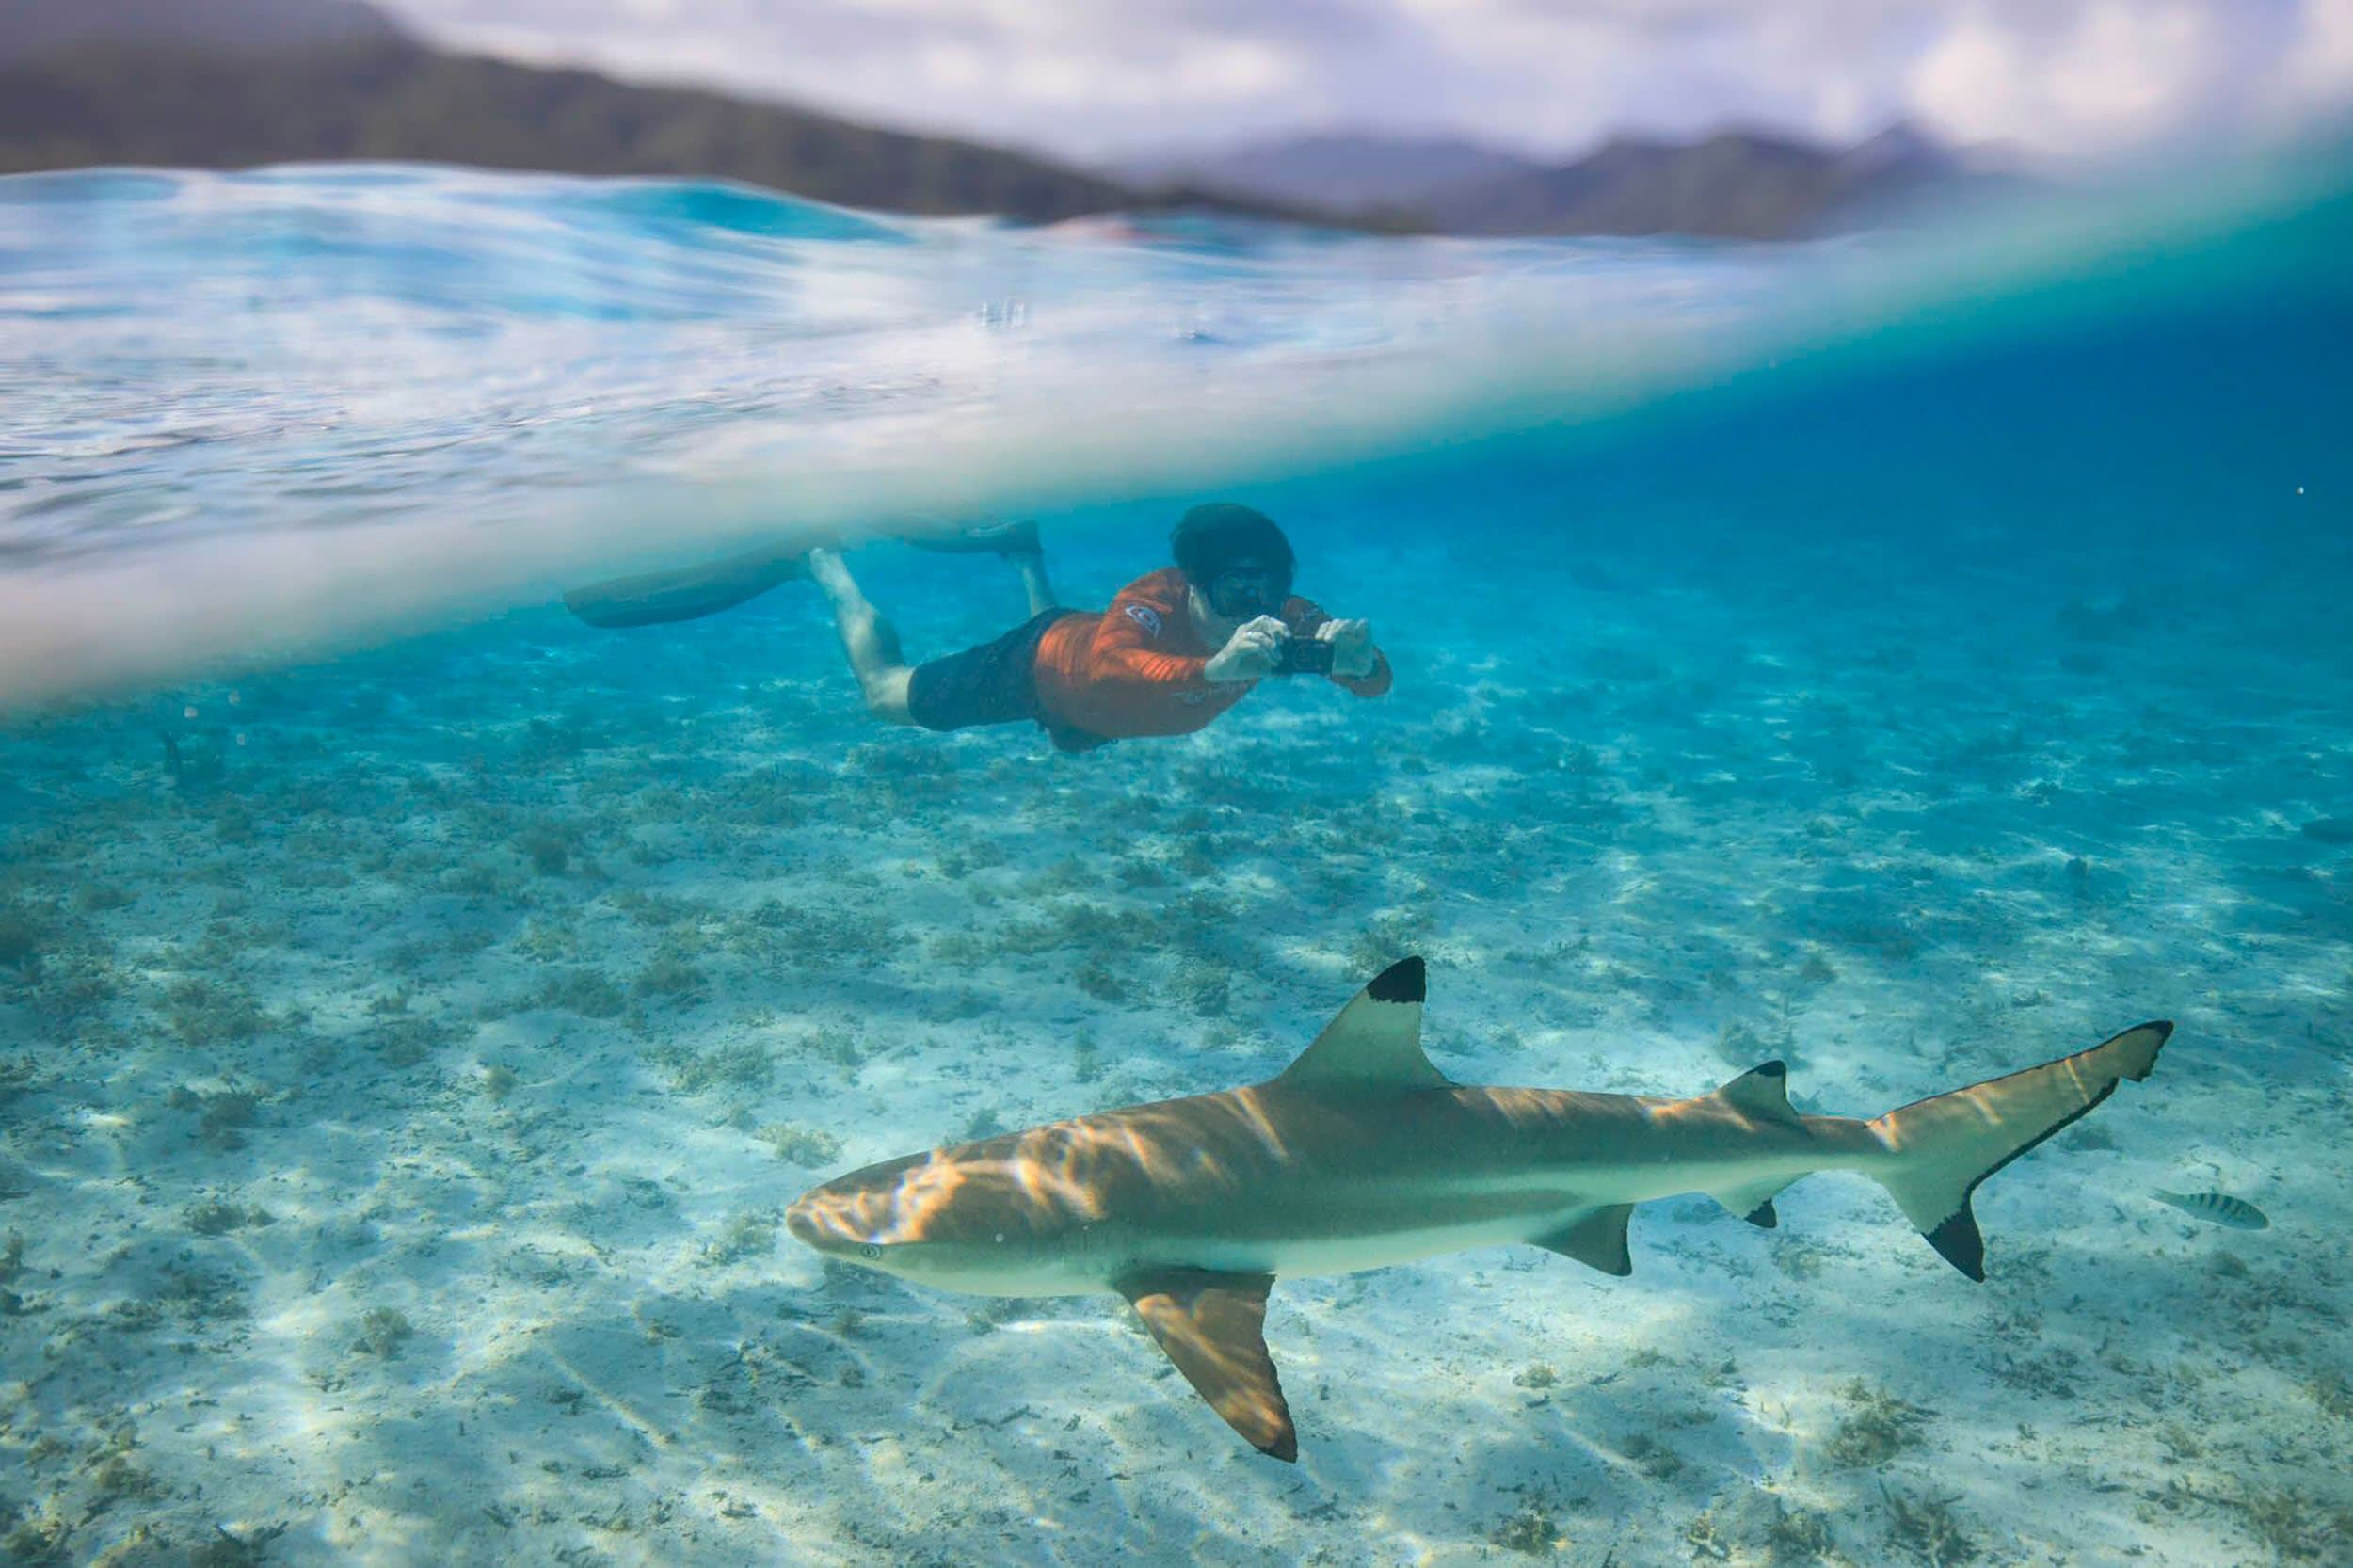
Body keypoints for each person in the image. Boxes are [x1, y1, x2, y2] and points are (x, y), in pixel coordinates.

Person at [808, 503, 1390, 753]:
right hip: (1036, 669)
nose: (1255, 608)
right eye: (1234, 591)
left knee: (1068, 692)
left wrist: (1361, 665)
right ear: (1192, 581)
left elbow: (1378, 684)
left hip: (1092, 709)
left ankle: (1023, 553)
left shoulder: (1286, 617)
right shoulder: (1150, 600)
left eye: (1270, 588)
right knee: (882, 696)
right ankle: (826, 563)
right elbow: (1113, 665)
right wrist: (1214, 668)